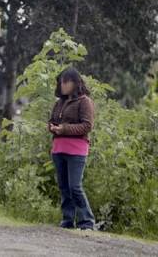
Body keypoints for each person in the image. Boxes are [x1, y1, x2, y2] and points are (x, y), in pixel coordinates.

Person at [48, 67, 95, 230]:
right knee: (63, 187)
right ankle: (68, 219)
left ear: (75, 83)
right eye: (61, 82)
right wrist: (52, 127)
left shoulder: (84, 101)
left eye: (66, 82)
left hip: (77, 150)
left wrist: (65, 129)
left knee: (75, 186)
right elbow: (52, 120)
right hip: (59, 149)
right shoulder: (59, 102)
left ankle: (87, 221)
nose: (63, 85)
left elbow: (87, 126)